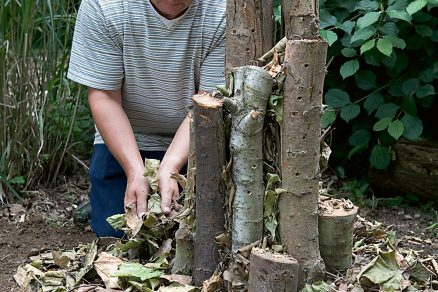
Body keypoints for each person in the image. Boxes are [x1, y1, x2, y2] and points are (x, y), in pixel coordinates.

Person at [68, 0, 226, 237]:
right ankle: (100, 201)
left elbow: (208, 102)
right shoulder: (104, 5)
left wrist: (171, 166)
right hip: (127, 139)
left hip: (197, 137)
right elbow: (105, 98)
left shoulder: (224, 10)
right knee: (116, 236)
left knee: (190, 235)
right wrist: (134, 171)